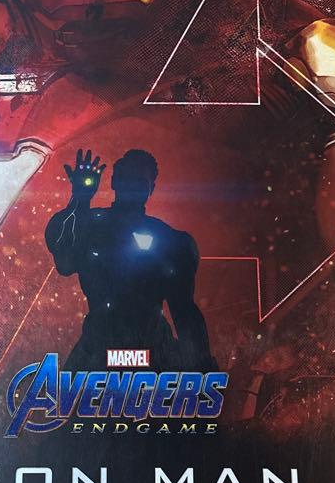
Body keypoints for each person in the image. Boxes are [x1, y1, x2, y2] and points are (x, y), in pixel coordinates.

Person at [45, 148, 216, 372]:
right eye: (127, 178)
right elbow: (65, 262)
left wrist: (202, 365)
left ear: (151, 188)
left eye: (139, 181)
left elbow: (184, 311)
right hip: (101, 347)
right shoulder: (91, 226)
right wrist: (80, 199)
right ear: (114, 180)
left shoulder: (170, 241)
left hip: (149, 349)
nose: (132, 187)